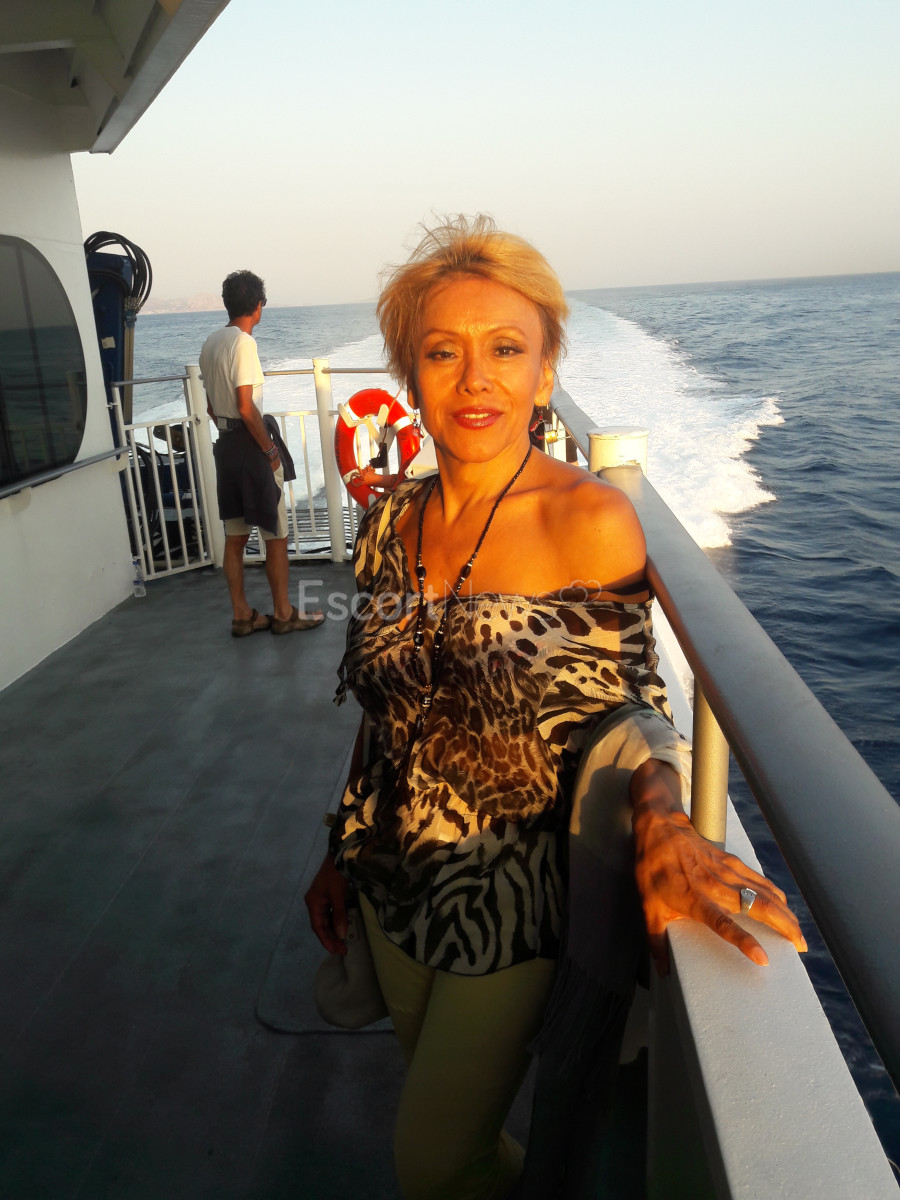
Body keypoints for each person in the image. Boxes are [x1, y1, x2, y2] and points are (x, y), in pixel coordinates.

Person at [305, 218, 805, 1200]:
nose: (475, 379)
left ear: (545, 372)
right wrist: (335, 849)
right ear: (411, 374)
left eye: (505, 349)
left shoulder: (589, 519)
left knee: (428, 1160)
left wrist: (665, 823)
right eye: (442, 352)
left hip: (509, 901)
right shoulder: (389, 522)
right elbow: (387, 707)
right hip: (388, 886)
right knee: (461, 1147)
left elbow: (635, 707)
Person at [200, 270, 324, 637]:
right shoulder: (244, 344)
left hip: (225, 446)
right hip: (249, 446)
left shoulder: (210, 343)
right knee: (276, 533)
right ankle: (284, 614)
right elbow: (245, 405)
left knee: (235, 536)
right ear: (258, 305)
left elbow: (211, 408)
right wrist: (269, 450)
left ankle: (242, 616)